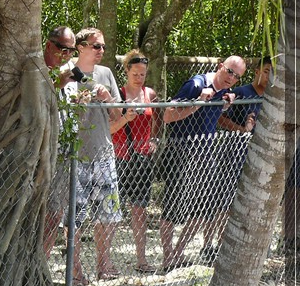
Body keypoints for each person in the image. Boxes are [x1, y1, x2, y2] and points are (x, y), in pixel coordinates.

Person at [160, 56, 245, 270]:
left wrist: (224, 106)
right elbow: (168, 116)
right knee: (172, 207)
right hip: (181, 151)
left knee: (204, 209)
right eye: (229, 72)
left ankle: (178, 254)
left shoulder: (223, 92)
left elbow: (213, 117)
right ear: (220, 67)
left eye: (237, 76)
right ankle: (167, 258)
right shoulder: (196, 84)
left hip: (205, 154)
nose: (231, 78)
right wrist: (197, 102)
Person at [67, 27, 124, 283]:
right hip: (75, 155)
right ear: (80, 46)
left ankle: (104, 264)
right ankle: (75, 269)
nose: (101, 51)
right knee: (74, 216)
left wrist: (107, 98)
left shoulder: (106, 73)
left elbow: (117, 115)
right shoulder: (68, 72)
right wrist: (79, 102)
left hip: (103, 152)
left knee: (108, 213)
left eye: (103, 47)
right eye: (96, 46)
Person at [211, 57, 273, 261]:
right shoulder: (241, 92)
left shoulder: (274, 98)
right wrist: (241, 130)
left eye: (272, 72)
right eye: (265, 71)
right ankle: (213, 244)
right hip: (234, 152)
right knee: (225, 198)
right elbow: (219, 117)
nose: (268, 75)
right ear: (256, 71)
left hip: (261, 156)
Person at [110, 50, 160, 273]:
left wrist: (155, 141)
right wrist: (125, 118)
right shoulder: (117, 94)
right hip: (120, 157)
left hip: (143, 159)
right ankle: (106, 261)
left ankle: (141, 259)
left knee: (139, 209)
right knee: (111, 210)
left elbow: (157, 120)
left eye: (143, 74)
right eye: (136, 74)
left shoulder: (150, 94)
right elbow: (110, 125)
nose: (139, 78)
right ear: (127, 71)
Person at [41, 25, 80, 259]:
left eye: (71, 51)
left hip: (65, 154)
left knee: (55, 212)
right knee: (36, 211)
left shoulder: (68, 74)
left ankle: (43, 260)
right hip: (40, 154)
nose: (66, 56)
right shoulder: (36, 70)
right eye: (63, 49)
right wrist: (57, 84)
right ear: (49, 45)